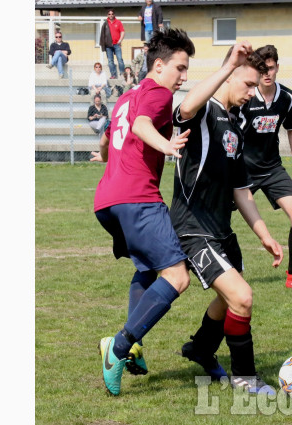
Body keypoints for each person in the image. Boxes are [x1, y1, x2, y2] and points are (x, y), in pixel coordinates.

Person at [170, 42, 283, 395]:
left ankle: (201, 348)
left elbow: (241, 189)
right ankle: (245, 378)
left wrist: (264, 233)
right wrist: (226, 66)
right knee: (243, 297)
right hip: (192, 228)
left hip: (220, 229)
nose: (253, 92)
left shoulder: (235, 124)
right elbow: (184, 107)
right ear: (229, 78)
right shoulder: (205, 111)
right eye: (248, 85)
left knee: (228, 299)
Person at [89, 28, 196, 396]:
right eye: (180, 68)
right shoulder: (157, 93)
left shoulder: (125, 97)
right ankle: (118, 348)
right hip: (138, 198)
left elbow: (105, 142)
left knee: (148, 270)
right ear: (159, 65)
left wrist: (110, 163)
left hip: (107, 200)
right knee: (177, 276)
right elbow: (141, 125)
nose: (183, 77)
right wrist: (167, 145)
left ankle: (131, 346)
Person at [238, 45, 292, 290]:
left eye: (271, 68)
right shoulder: (246, 98)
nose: (267, 73)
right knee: (217, 216)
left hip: (273, 168)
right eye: (262, 69)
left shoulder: (287, 97)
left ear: (277, 68)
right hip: (243, 170)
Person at [99, 8, 125, 79]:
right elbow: (102, 35)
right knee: (110, 61)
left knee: (120, 60)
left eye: (112, 14)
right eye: (109, 14)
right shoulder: (105, 24)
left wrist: (120, 40)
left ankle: (122, 73)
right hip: (108, 46)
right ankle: (113, 75)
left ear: (114, 14)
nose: (111, 15)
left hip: (117, 44)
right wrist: (103, 45)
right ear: (107, 15)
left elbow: (122, 32)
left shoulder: (118, 22)